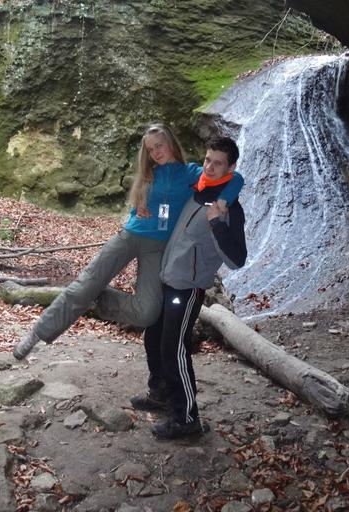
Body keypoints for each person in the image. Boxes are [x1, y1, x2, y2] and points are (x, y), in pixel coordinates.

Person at [13, 124, 244, 360]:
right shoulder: (149, 173)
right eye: (150, 149)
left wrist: (223, 201)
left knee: (147, 313)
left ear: (171, 144)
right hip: (131, 236)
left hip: (158, 248)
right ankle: (38, 332)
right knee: (85, 284)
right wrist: (138, 208)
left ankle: (97, 299)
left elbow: (236, 178)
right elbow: (142, 204)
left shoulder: (192, 173)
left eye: (159, 146)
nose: (155, 152)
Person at [133, 136, 247, 439]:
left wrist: (217, 224)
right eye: (207, 160)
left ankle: (186, 418)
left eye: (218, 163)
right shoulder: (196, 189)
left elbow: (237, 259)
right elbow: (169, 216)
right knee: (153, 337)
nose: (209, 167)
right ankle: (160, 392)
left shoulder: (229, 209)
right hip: (166, 278)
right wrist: (154, 216)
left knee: (174, 349)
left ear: (231, 168)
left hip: (187, 289)